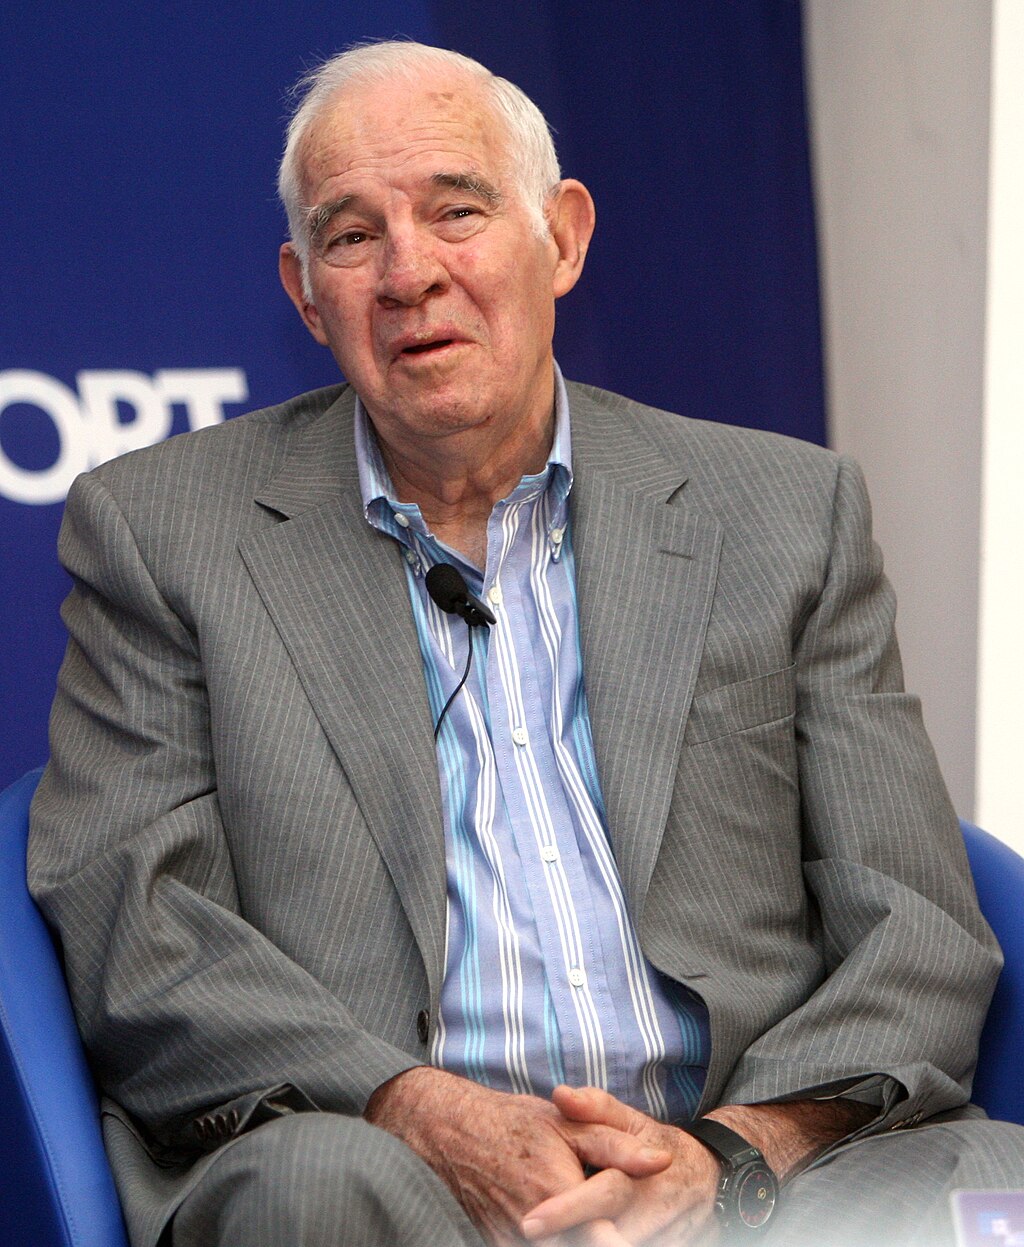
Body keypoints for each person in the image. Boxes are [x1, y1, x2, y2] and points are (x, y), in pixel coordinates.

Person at [28, 40, 1024, 1247]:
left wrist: (728, 1157)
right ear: (303, 291)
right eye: (352, 236)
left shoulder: (781, 510)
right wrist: (424, 1113)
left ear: (562, 235)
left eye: (457, 210)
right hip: (383, 1157)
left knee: (988, 1178)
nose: (410, 273)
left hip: (736, 1155)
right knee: (317, 1193)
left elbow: (913, 918)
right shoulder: (160, 532)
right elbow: (139, 923)